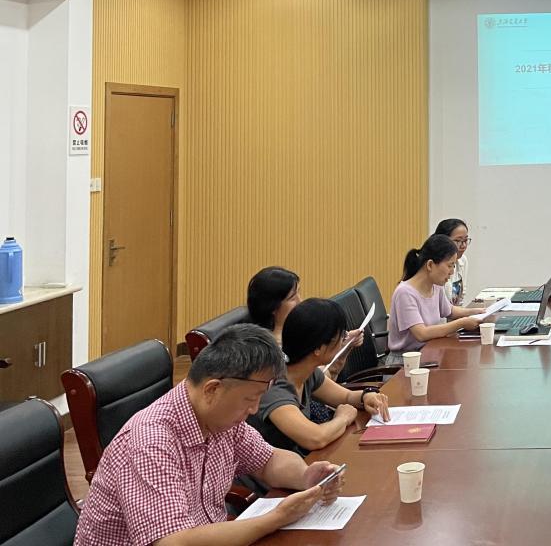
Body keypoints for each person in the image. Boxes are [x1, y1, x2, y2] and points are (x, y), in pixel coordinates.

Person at [74, 324, 344, 546]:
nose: (254, 409)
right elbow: (173, 542)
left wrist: (306, 477)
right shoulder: (151, 441)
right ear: (212, 389)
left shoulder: (221, 418)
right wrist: (276, 518)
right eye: (250, 399)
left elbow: (268, 461)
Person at [248, 298, 391, 456]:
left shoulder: (306, 371)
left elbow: (346, 396)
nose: (344, 340)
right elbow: (316, 438)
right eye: (341, 336)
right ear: (318, 348)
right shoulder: (274, 387)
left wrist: (367, 396)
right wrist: (343, 418)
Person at [387, 233, 487, 360]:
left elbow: (449, 311)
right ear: (430, 265)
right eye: (450, 265)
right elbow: (422, 333)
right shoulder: (405, 293)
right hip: (406, 361)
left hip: (431, 351)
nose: (452, 272)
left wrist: (476, 312)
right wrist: (462, 323)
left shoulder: (436, 285)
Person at [433, 218, 471, 304]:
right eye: (458, 241)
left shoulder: (462, 260)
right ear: (443, 241)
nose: (463, 245)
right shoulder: (435, 265)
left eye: (465, 240)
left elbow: (461, 298)